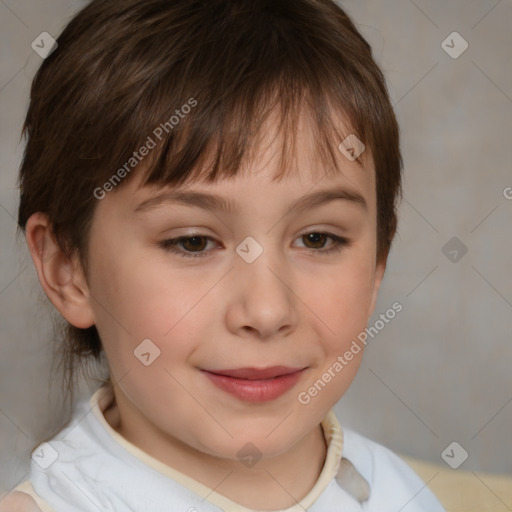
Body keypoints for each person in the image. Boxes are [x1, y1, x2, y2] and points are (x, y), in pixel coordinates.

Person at [0, 0, 445, 510]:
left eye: (318, 239)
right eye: (193, 241)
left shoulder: (402, 493)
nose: (267, 311)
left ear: (375, 269)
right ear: (68, 270)